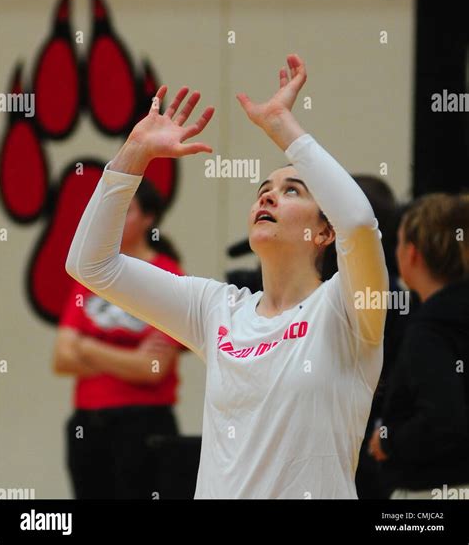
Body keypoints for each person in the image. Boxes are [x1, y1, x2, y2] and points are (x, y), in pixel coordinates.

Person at [66, 54, 388, 499]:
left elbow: (358, 222)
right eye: (264, 191)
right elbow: (90, 265)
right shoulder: (217, 308)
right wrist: (135, 153)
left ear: (324, 230)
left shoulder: (347, 308)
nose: (269, 198)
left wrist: (282, 127)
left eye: (291, 190)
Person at [54, 178, 185, 499]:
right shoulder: (91, 275)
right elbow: (61, 358)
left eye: (126, 211)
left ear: (149, 218)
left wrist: (86, 347)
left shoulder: (168, 275)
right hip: (88, 424)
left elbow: (153, 367)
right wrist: (127, 357)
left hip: (143, 425)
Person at [368, 193, 469, 499]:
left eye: (398, 242)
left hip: (436, 489)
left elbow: (444, 421)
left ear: (411, 254)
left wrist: (388, 442)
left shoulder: (430, 327)